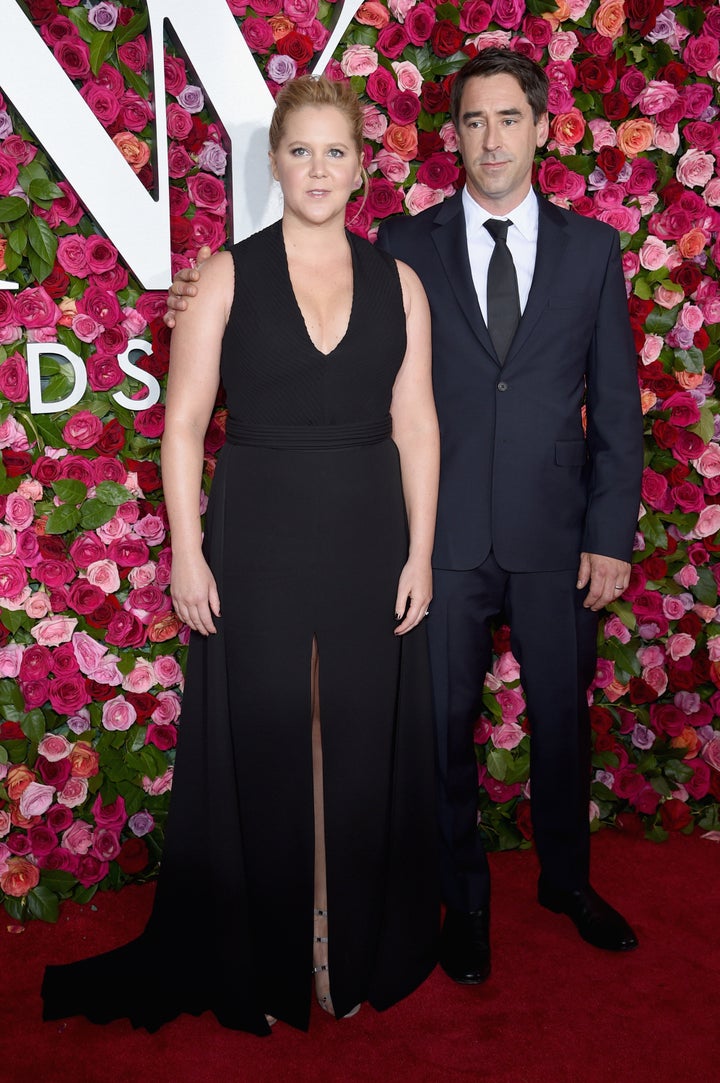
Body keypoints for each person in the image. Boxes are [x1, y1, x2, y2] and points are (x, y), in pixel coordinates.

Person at [166, 49, 644, 987]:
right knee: (439, 731)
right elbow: (293, 296)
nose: (492, 138)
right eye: (473, 121)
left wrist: (608, 533)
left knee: (561, 719)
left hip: (549, 534)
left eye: (510, 119)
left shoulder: (592, 249)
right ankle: (462, 906)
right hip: (438, 538)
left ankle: (568, 883)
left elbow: (617, 404)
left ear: (542, 129)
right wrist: (196, 293)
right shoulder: (405, 242)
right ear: (451, 137)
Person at [42, 75, 440, 1035]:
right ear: (274, 162)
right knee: (271, 729)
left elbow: (417, 421)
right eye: (299, 150)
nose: (317, 168)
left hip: (366, 531)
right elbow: (182, 427)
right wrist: (188, 554)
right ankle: (267, 947)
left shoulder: (401, 280)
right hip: (256, 528)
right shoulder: (224, 274)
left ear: (362, 166)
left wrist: (422, 550)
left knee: (348, 734)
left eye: (334, 152)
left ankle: (338, 940)